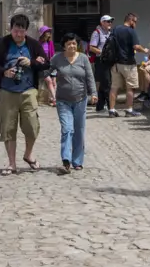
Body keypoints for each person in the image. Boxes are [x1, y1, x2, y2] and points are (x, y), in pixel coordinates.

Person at [0, 13, 49, 175]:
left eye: (22, 31)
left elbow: (46, 63)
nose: (18, 34)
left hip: (28, 91)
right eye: (16, 31)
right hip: (7, 91)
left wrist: (32, 62)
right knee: (8, 128)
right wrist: (4, 72)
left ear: (26, 31)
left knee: (32, 126)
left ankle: (28, 154)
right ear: (11, 28)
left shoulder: (34, 45)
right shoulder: (1, 44)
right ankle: (11, 163)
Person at [52, 32, 97, 173]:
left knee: (79, 131)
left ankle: (77, 161)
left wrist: (93, 93)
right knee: (67, 129)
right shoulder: (57, 59)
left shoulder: (83, 59)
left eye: (74, 43)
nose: (72, 46)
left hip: (80, 100)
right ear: (64, 46)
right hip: (63, 100)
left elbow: (90, 77)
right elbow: (47, 73)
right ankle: (66, 160)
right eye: (69, 43)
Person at [108, 13, 149, 118]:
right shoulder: (131, 31)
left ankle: (112, 110)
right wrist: (144, 50)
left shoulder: (115, 29)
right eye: (135, 22)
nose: (135, 24)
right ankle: (129, 110)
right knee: (130, 88)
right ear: (131, 21)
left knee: (114, 87)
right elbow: (136, 46)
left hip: (115, 63)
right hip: (128, 63)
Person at [89, 15, 114, 112]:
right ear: (102, 22)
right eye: (108, 21)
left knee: (105, 83)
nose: (110, 23)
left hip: (109, 61)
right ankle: (109, 105)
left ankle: (100, 106)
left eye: (111, 21)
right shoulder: (97, 33)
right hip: (100, 61)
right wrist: (103, 52)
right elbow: (92, 47)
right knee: (106, 82)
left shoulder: (109, 33)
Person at [38, 25, 57, 107]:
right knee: (49, 81)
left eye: (49, 31)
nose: (49, 33)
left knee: (54, 82)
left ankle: (51, 99)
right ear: (43, 33)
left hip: (51, 64)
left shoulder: (50, 43)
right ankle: (55, 99)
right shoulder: (38, 43)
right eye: (47, 31)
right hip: (42, 66)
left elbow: (52, 54)